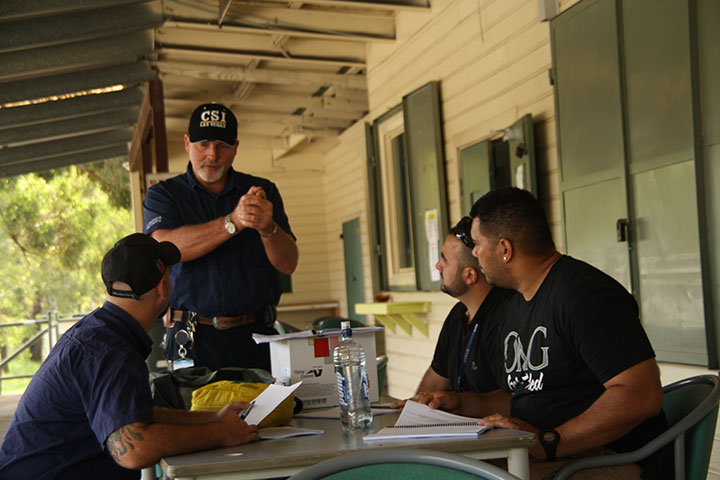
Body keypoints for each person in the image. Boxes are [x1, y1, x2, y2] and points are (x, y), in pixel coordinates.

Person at [416, 187, 670, 479]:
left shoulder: (584, 295)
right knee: (432, 470)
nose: (474, 254)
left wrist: (550, 440)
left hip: (606, 456)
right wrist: (462, 403)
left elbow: (640, 394)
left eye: (477, 245)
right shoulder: (515, 306)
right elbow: (524, 395)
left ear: (504, 249)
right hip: (542, 451)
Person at [0, 234, 259, 480]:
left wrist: (213, 418)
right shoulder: (111, 351)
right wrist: (221, 433)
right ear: (163, 288)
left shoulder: (100, 332)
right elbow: (134, 450)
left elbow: (135, 416)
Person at [143, 102, 299, 371]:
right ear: (187, 143)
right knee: (194, 411)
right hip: (191, 338)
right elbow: (163, 246)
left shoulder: (263, 192)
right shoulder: (164, 195)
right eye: (203, 144)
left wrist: (267, 228)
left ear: (236, 147)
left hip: (257, 336)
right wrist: (234, 221)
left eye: (223, 146)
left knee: (267, 413)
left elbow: (288, 264)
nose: (212, 155)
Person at [414, 217, 513, 394]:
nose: (438, 266)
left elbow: (513, 398)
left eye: (444, 260)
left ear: (470, 276)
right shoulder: (458, 313)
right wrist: (414, 410)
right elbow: (435, 380)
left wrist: (460, 404)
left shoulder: (506, 318)